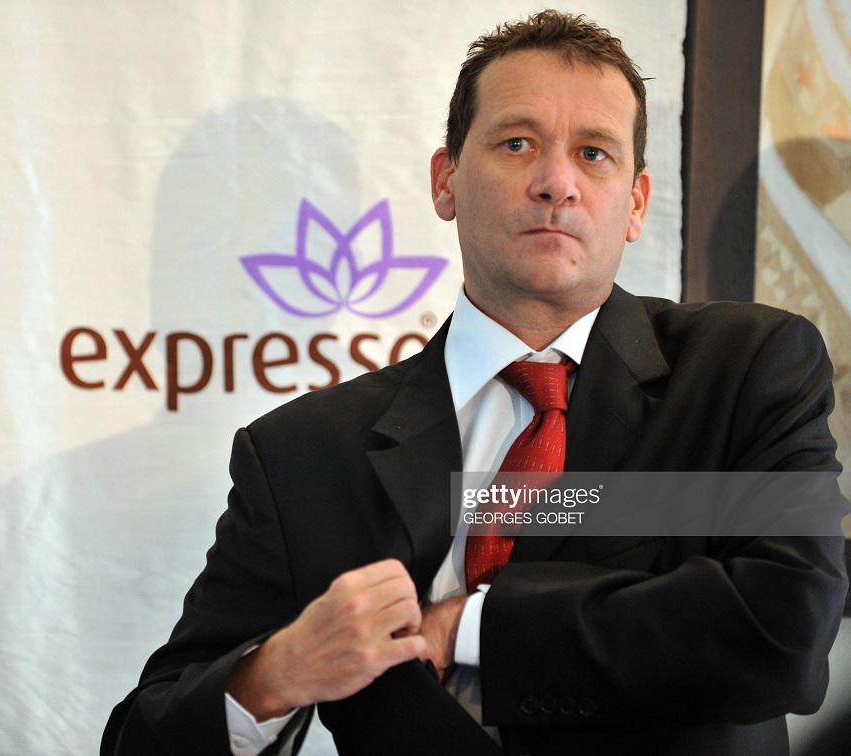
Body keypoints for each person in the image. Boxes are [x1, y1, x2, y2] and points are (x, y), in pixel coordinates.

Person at [101, 10, 848, 755]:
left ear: (636, 204)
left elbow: (786, 628)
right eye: (517, 143)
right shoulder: (304, 454)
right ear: (446, 180)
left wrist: (467, 626)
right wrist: (274, 675)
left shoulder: (744, 371)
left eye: (593, 153)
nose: (556, 183)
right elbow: (144, 739)